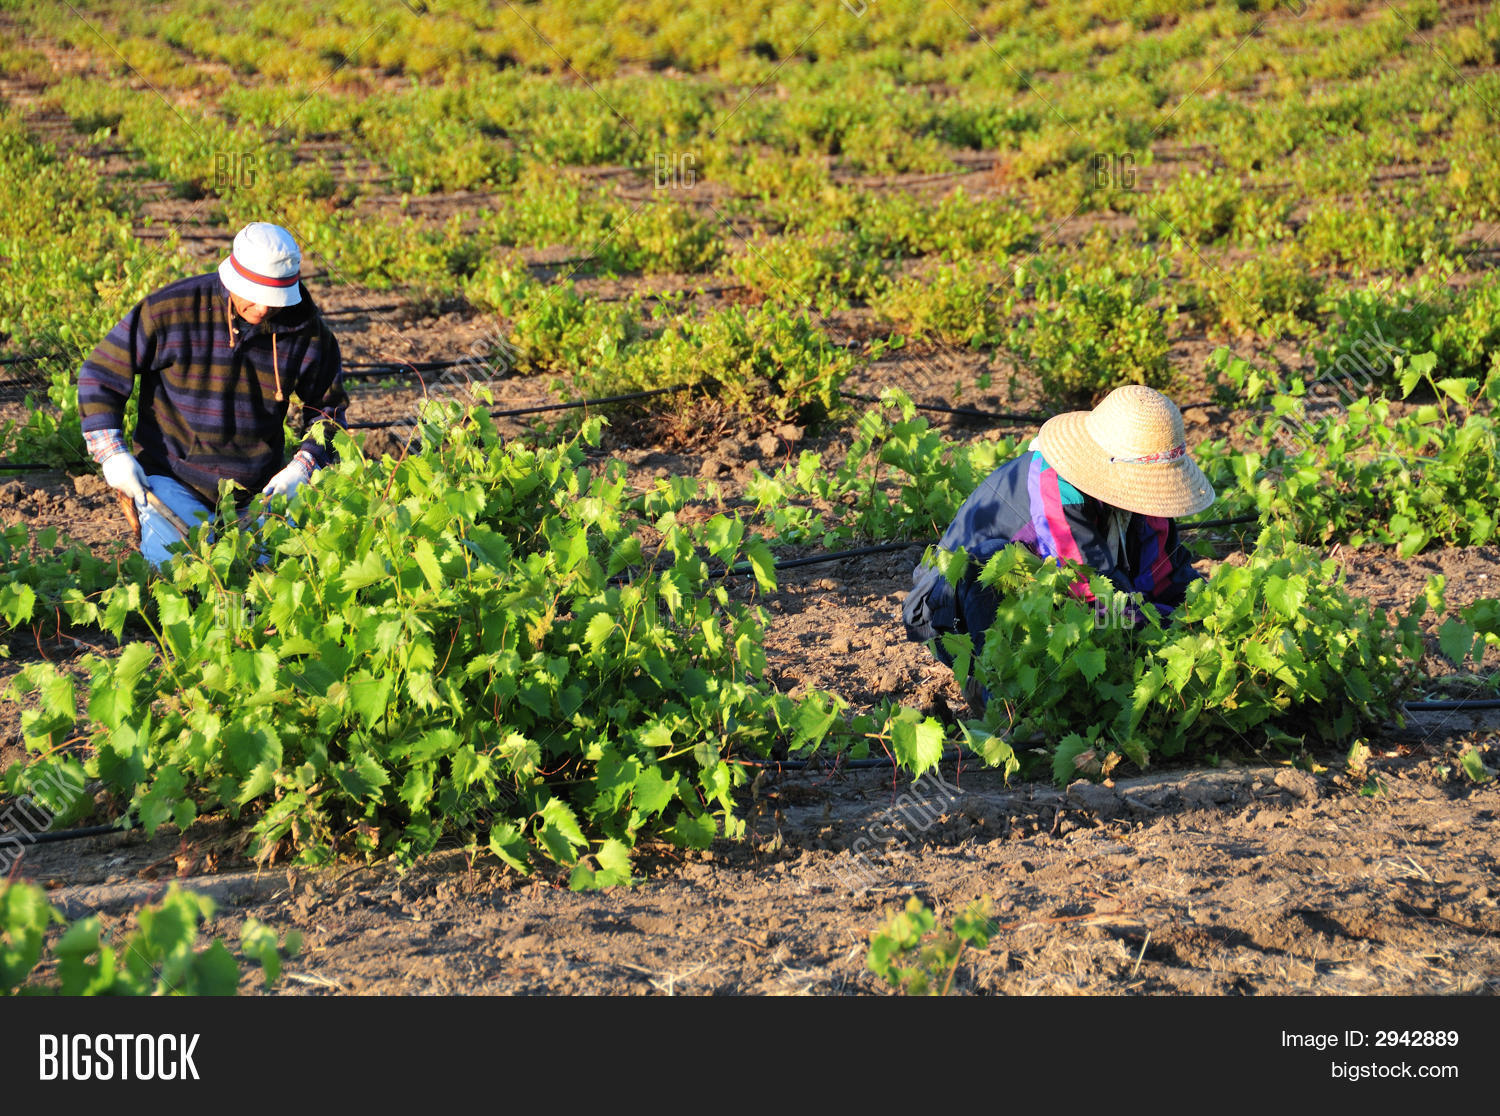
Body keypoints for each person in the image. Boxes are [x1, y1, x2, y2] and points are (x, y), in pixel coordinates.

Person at [903, 385, 1216, 705]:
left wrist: (1205, 620)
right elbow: (1090, 587)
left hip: (1042, 601)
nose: (1151, 493)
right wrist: (1150, 636)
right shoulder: (1056, 484)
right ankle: (998, 691)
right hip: (948, 612)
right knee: (987, 561)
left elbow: (1167, 577)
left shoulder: (1148, 503)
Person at [79, 222, 348, 565]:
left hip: (260, 489)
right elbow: (101, 371)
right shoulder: (171, 309)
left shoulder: (307, 332)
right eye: (254, 295)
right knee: (178, 570)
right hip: (173, 478)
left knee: (275, 573)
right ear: (232, 279)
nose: (263, 309)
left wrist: (304, 464)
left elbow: (328, 410)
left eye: (273, 300)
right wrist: (112, 452)